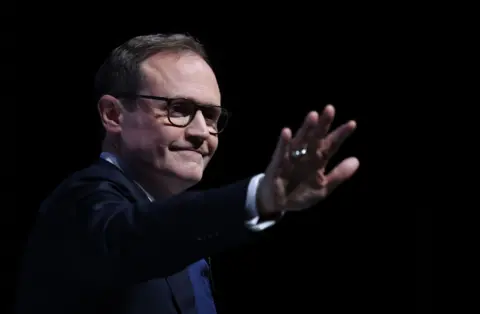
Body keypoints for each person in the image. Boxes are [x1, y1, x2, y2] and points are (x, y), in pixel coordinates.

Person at [15, 33, 359, 314]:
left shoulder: (176, 220)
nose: (201, 132)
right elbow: (133, 235)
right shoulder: (80, 205)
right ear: (113, 115)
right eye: (178, 109)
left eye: (210, 116)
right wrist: (257, 198)